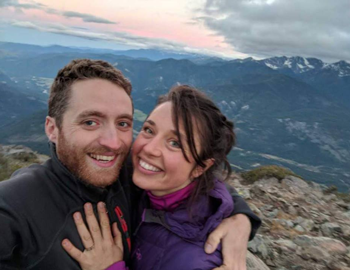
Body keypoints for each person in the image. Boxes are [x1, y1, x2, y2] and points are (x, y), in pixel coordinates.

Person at [0, 59, 260, 270]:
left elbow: (199, 179)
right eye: (90, 122)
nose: (113, 144)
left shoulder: (128, 172)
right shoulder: (15, 205)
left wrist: (240, 217)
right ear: (52, 129)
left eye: (123, 123)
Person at [64, 85, 257, 270]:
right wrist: (243, 217)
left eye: (175, 143)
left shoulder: (200, 259)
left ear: (200, 167)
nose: (149, 149)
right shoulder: (151, 185)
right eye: (149, 130)